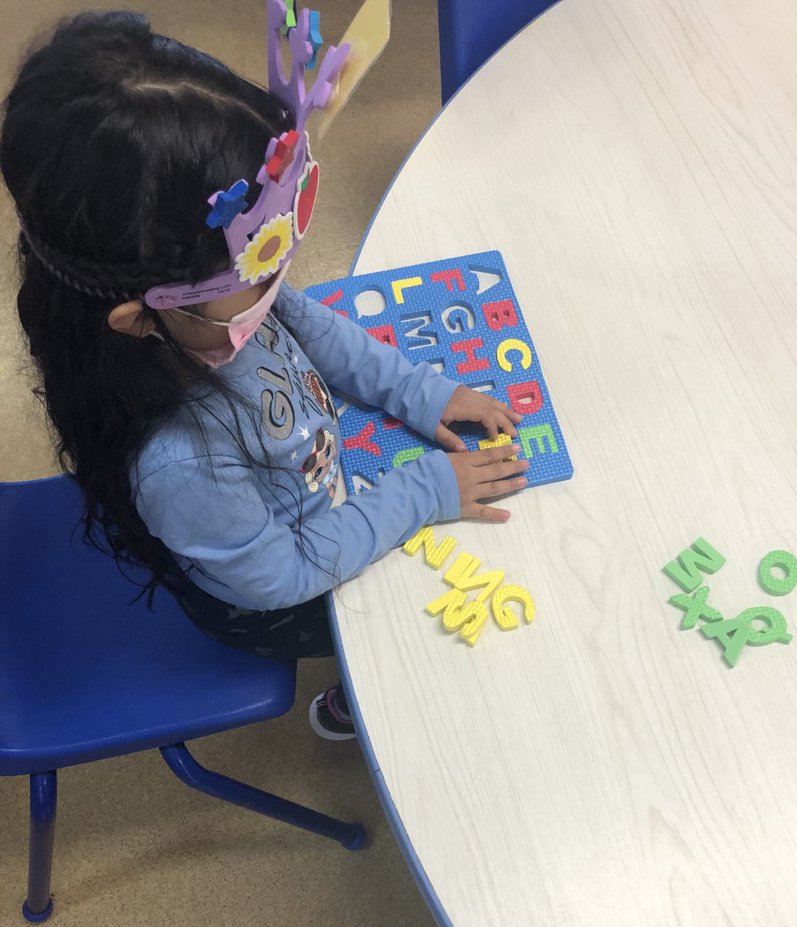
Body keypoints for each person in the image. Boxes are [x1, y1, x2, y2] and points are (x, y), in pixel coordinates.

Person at [0, 9, 528, 740]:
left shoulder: (209, 303)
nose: (281, 281)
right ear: (140, 315)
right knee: (417, 634)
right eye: (262, 269)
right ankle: (356, 698)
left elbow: (316, 328)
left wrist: (421, 392)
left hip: (309, 510)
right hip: (279, 597)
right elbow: (283, 577)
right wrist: (427, 488)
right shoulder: (180, 462)